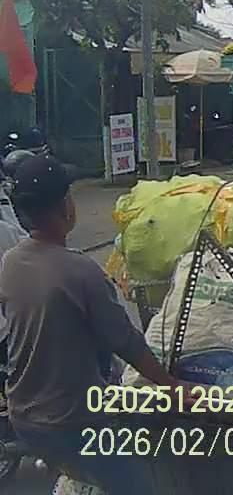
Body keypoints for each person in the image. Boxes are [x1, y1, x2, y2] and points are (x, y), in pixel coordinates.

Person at [0, 155, 189, 495]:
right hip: (72, 422)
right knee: (138, 486)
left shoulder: (10, 262)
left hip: (23, 418)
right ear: (65, 208)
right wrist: (172, 386)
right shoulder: (80, 271)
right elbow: (125, 341)